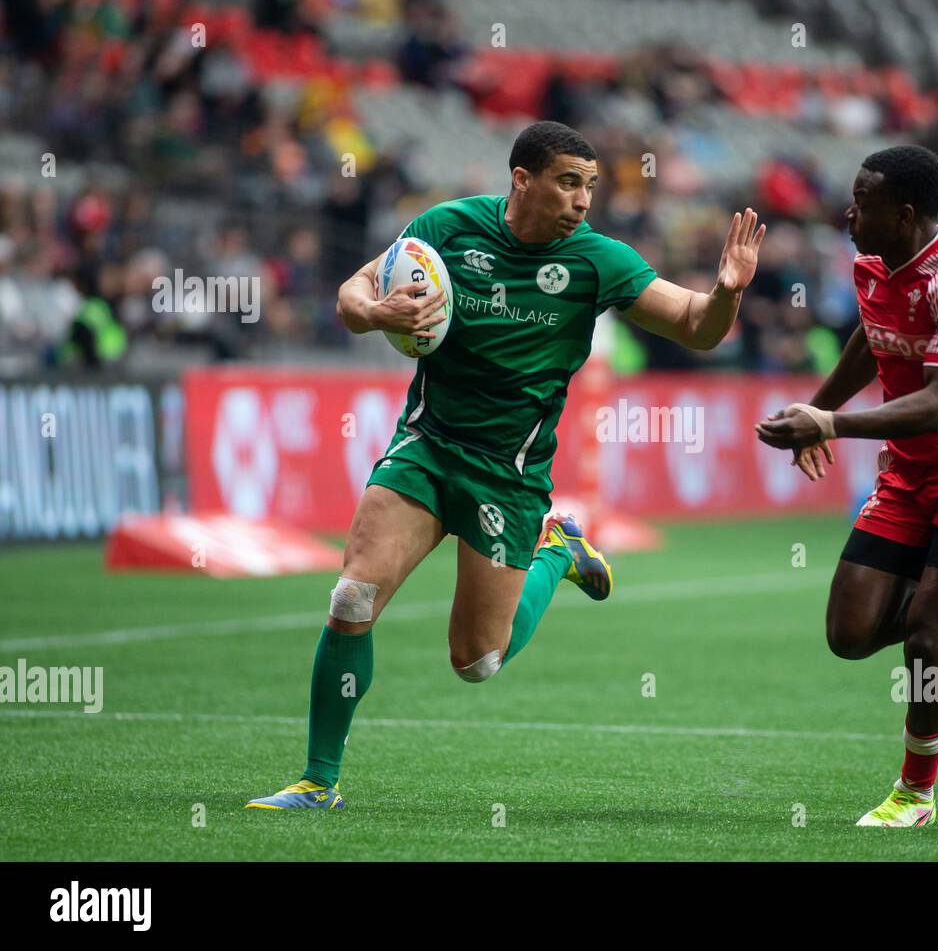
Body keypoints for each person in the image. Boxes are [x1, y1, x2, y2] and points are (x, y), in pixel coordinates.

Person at [247, 121, 766, 809]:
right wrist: (377, 312)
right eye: (568, 182)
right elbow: (352, 292)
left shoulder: (599, 260)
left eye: (591, 186)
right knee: (352, 597)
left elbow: (699, 327)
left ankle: (557, 547)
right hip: (427, 448)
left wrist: (728, 290)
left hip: (510, 476)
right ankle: (319, 781)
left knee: (477, 662)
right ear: (522, 179)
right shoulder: (448, 226)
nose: (583, 200)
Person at [756, 145, 938, 827]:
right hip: (908, 473)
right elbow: (873, 337)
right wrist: (816, 419)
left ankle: (914, 796)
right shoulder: (870, 264)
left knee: (926, 638)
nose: (848, 211)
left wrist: (831, 421)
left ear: (906, 213)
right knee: (848, 635)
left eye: (862, 202)